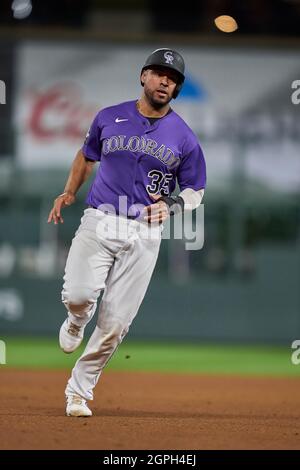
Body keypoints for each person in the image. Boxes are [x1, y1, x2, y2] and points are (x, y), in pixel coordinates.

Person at [47, 48, 206, 417]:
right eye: (160, 73)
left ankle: (78, 393)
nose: (167, 80)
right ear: (143, 77)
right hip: (100, 219)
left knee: (116, 323)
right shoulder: (108, 117)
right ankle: (76, 319)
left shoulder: (183, 137)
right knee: (79, 294)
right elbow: (87, 155)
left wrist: (173, 204)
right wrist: (70, 190)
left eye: (174, 78)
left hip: (145, 231)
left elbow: (196, 189)